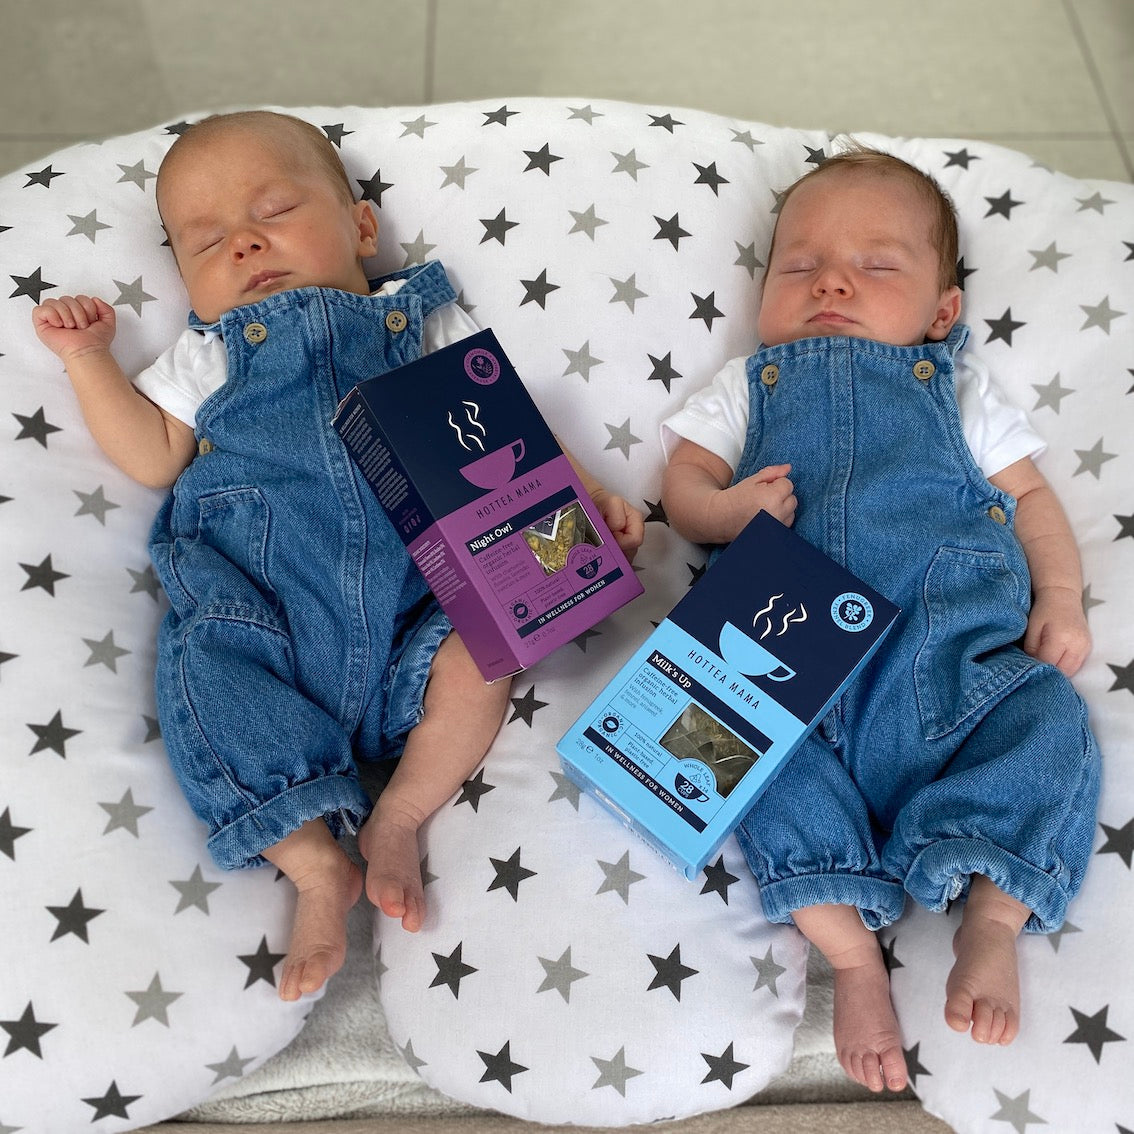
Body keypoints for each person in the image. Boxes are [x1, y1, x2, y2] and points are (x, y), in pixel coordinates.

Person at [33, 110, 644, 1003]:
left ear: (363, 227)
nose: (244, 245)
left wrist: (579, 497)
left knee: (483, 653)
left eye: (274, 210)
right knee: (204, 670)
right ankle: (316, 867)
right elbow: (151, 453)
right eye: (208, 244)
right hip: (261, 615)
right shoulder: (209, 355)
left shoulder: (419, 323)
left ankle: (399, 814)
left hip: (417, 616)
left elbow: (509, 425)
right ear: (187, 284)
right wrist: (90, 360)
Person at [661, 148, 1100, 1094]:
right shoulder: (750, 386)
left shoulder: (957, 390)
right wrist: (728, 513)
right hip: (787, 683)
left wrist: (1059, 596)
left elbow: (1030, 500)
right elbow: (686, 490)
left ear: (942, 314)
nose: (831, 280)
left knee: (1052, 723)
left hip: (951, 674)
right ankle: (854, 961)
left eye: (878, 266)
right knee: (723, 752)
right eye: (800, 265)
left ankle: (993, 914)